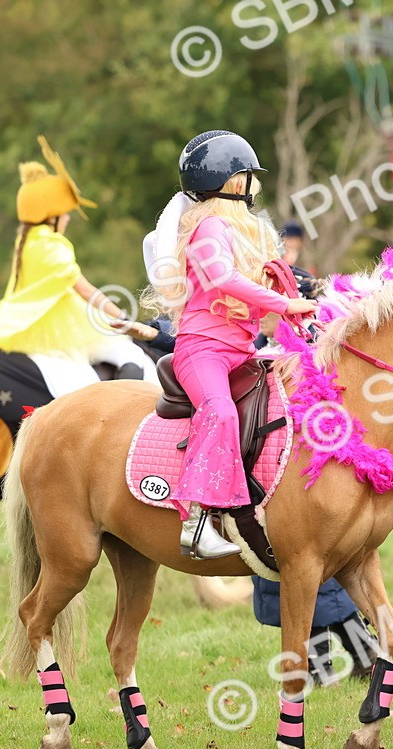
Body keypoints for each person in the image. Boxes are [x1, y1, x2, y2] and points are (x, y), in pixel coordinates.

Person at [146, 130, 318, 559]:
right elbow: (223, 279)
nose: (253, 185)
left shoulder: (246, 230)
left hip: (241, 349)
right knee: (219, 410)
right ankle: (196, 521)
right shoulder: (208, 227)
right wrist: (284, 301)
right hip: (201, 348)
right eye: (248, 176)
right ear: (235, 182)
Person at [0, 136, 159, 397]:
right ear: (50, 216)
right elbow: (84, 289)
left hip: (41, 321)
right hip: (60, 324)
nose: (67, 219)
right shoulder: (53, 245)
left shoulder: (26, 238)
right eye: (63, 214)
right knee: (129, 356)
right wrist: (119, 316)